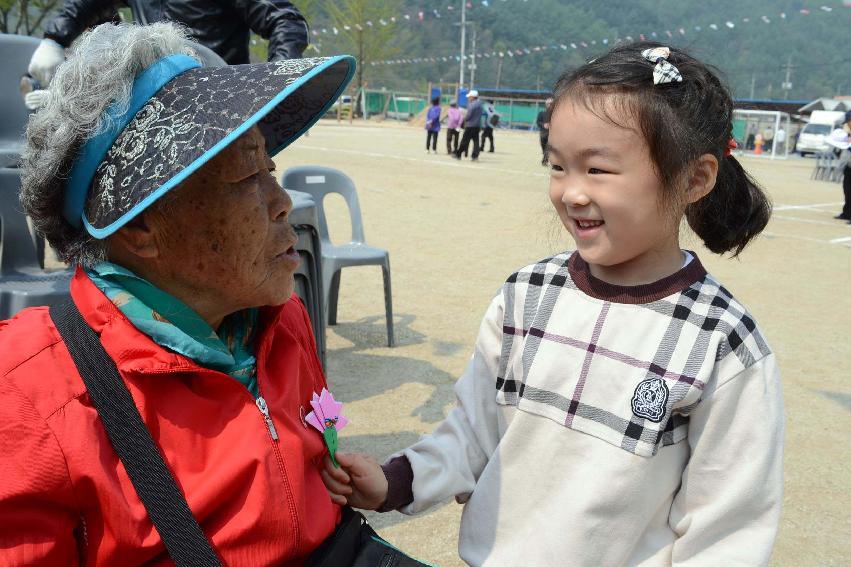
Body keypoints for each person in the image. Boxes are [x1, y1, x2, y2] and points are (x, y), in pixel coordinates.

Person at [322, 43, 783, 566]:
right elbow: (475, 432)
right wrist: (395, 482)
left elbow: (727, 530)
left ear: (694, 179)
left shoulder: (723, 342)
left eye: (599, 170)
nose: (572, 193)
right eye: (558, 166)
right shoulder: (527, 295)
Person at [1, 22, 355, 564]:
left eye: (271, 166)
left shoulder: (280, 319)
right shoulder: (28, 397)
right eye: (244, 178)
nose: (282, 201)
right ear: (139, 227)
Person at [26, 0, 308, 105]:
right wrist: (54, 38)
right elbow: (86, 5)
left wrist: (276, 83)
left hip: (221, 104)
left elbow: (286, 21)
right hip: (155, 103)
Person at [829, 114, 851, 222]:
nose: (847, 124)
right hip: (849, 166)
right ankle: (847, 212)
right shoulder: (847, 134)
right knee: (847, 189)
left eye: (849, 122)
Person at [454, 89, 482, 161]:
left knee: (465, 140)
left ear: (473, 97)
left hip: (470, 125)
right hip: (477, 125)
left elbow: (468, 116)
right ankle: (475, 156)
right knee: (476, 142)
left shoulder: (471, 105)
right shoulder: (480, 104)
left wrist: (464, 118)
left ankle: (458, 154)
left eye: (470, 97)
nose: (468, 98)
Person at [536, 97, 553, 163]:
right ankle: (545, 157)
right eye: (548, 103)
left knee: (548, 147)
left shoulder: (556, 114)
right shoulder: (541, 113)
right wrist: (543, 125)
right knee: (543, 147)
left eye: (551, 104)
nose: (550, 105)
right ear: (546, 104)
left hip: (552, 134)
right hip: (543, 133)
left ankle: (544, 160)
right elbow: (538, 122)